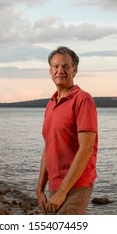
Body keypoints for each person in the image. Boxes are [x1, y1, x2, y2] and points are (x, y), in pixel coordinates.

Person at [36, 46, 98, 215]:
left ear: (74, 70)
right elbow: (48, 147)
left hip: (76, 184)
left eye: (65, 66)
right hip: (55, 185)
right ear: (50, 71)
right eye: (56, 66)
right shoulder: (51, 104)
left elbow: (86, 149)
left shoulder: (83, 100)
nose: (60, 70)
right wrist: (40, 189)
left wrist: (63, 192)